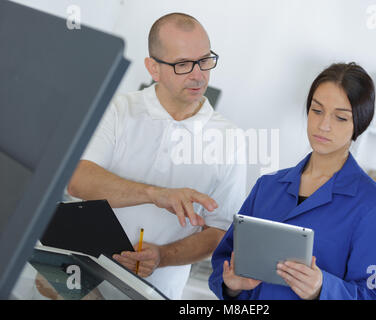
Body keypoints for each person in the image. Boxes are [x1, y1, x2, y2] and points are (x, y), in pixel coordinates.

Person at [67, 13, 246, 299]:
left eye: (204, 60)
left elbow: (219, 231)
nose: (198, 74)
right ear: (153, 68)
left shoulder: (231, 139)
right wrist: (155, 194)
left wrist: (163, 256)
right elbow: (77, 180)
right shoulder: (117, 109)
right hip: (83, 283)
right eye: (183, 64)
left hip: (156, 292)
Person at [208, 62, 376, 300]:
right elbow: (224, 261)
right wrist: (232, 286)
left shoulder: (372, 206)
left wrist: (323, 288)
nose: (323, 125)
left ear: (358, 124)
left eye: (340, 117)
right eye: (317, 111)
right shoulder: (268, 187)